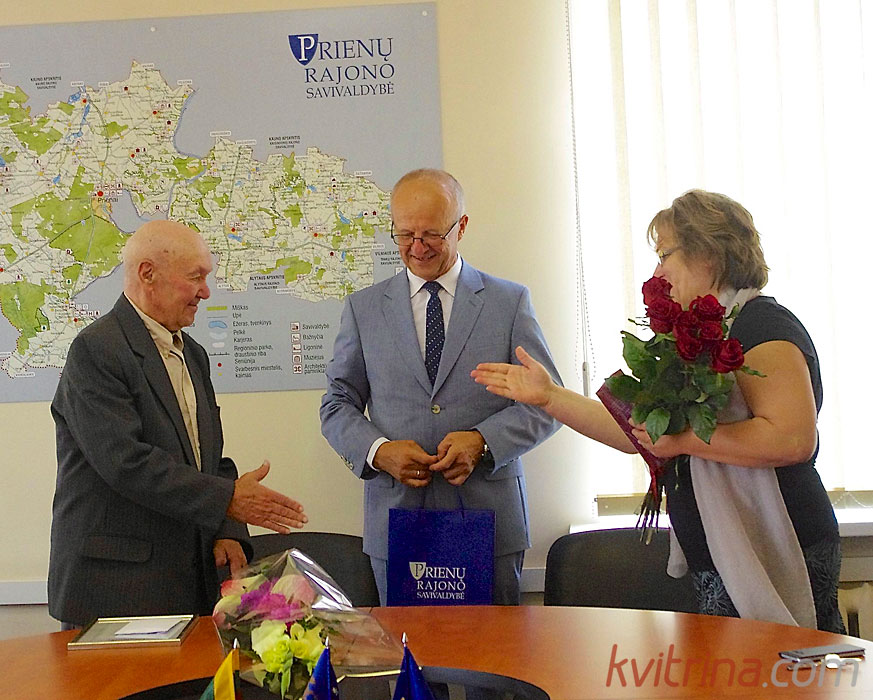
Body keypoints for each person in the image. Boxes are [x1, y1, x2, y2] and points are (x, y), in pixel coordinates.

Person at [472, 189, 844, 633]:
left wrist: (683, 441)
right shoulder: (699, 337)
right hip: (722, 549)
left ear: (708, 253)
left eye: (665, 254)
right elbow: (639, 434)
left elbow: (791, 438)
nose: (657, 271)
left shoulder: (763, 326)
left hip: (781, 539)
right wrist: (549, 396)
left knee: (792, 668)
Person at [49, 220, 308, 627]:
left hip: (188, 584)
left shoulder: (193, 354)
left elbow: (207, 458)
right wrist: (227, 499)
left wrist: (228, 526)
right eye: (196, 277)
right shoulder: (96, 350)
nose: (206, 291)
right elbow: (125, 462)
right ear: (147, 274)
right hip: (117, 589)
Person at [320, 168, 561, 605]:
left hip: (489, 522)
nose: (417, 247)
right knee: (409, 650)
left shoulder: (509, 302)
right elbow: (337, 404)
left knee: (491, 650)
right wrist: (378, 451)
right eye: (404, 234)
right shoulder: (363, 309)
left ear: (461, 226)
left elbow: (548, 404)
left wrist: (483, 442)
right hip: (397, 520)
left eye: (431, 234)